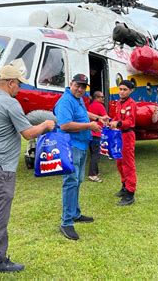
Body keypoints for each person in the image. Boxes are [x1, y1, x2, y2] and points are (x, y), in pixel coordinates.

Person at [0, 64, 55, 279]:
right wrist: (46, 124)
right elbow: (28, 134)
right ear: (10, 83)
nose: (19, 88)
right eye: (18, 84)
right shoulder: (11, 103)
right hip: (1, 170)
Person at [54, 73, 106, 240]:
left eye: (83, 87)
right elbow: (65, 125)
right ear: (71, 84)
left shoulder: (78, 99)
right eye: (78, 85)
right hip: (71, 146)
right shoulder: (65, 101)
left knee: (77, 181)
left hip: (82, 145)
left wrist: (98, 117)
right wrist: (89, 126)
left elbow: (84, 113)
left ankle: (75, 213)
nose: (80, 89)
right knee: (70, 182)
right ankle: (66, 222)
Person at [110, 80, 137, 206]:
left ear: (131, 90)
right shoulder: (119, 103)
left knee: (128, 164)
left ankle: (130, 194)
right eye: (120, 89)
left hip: (127, 135)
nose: (121, 92)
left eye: (124, 89)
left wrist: (118, 123)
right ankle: (124, 186)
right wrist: (111, 121)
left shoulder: (131, 104)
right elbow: (117, 117)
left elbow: (130, 122)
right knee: (119, 162)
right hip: (119, 135)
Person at [87, 91, 108, 183]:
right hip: (97, 133)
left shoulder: (90, 106)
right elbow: (106, 118)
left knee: (93, 154)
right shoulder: (100, 106)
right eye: (102, 97)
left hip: (89, 133)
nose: (103, 99)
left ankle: (96, 171)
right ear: (96, 98)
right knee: (96, 155)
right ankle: (92, 174)